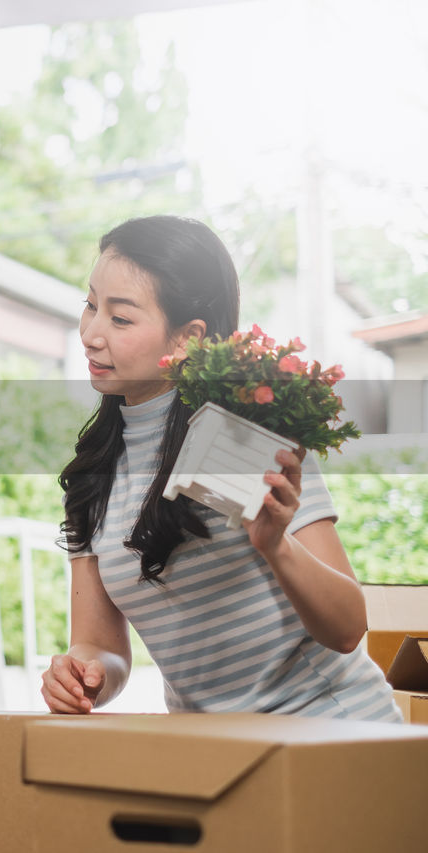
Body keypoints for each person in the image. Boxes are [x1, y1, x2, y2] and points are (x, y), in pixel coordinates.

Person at [41, 215, 400, 722]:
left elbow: (346, 628)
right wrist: (82, 676)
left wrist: (275, 545)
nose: (91, 334)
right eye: (91, 305)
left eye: (120, 319)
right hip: (215, 753)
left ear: (186, 338)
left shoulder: (240, 435)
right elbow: (101, 646)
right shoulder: (93, 475)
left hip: (333, 732)